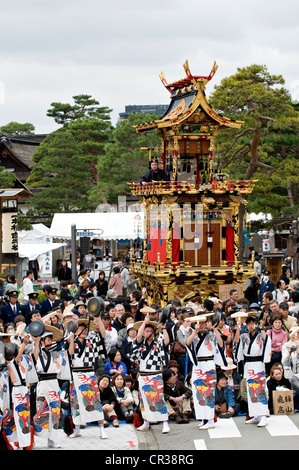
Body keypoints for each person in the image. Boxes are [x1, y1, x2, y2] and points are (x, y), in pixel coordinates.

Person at [65, 315, 109, 440]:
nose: (84, 331)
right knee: (76, 403)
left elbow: (103, 335)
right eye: (81, 329)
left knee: (94, 402)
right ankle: (77, 429)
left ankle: (101, 430)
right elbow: (70, 353)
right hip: (75, 375)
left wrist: (99, 319)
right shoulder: (70, 341)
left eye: (85, 329)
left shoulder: (92, 342)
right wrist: (72, 339)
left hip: (89, 374)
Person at [127, 313, 170, 434]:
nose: (149, 333)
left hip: (155, 375)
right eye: (147, 331)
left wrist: (164, 328)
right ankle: (146, 422)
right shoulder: (140, 345)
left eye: (151, 331)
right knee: (143, 400)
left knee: (158, 399)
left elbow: (167, 341)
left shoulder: (158, 343)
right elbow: (139, 337)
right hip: (143, 375)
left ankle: (165, 422)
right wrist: (145, 322)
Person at [32, 324, 72, 448]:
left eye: (50, 339)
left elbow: (68, 354)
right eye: (47, 340)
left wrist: (70, 341)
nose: (50, 342)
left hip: (53, 384)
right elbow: (35, 355)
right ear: (43, 341)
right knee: (42, 412)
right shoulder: (38, 352)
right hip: (42, 384)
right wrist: (37, 340)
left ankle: (52, 439)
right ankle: (37, 435)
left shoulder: (56, 354)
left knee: (55, 411)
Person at [185, 315, 227, 430]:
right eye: (199, 323)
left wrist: (214, 329)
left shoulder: (211, 335)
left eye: (203, 323)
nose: (201, 325)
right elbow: (187, 344)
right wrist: (194, 332)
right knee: (198, 392)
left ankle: (210, 419)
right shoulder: (193, 336)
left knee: (209, 392)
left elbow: (221, 344)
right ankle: (203, 418)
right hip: (198, 365)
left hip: (209, 364)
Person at [234, 315, 272, 427]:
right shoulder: (244, 336)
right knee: (251, 390)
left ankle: (264, 415)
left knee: (260, 389)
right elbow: (236, 341)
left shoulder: (260, 335)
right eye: (249, 323)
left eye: (252, 323)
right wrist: (239, 328)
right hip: (248, 364)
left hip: (258, 363)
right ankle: (256, 414)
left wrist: (261, 327)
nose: (251, 326)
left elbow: (266, 340)